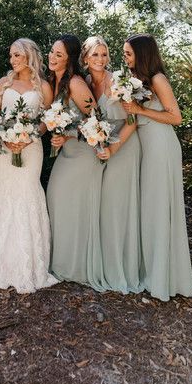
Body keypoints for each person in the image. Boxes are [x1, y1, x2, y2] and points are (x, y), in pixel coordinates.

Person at [122, 33, 192, 301]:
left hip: (162, 146)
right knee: (151, 207)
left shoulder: (157, 79)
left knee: (161, 206)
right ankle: (153, 271)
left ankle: (165, 277)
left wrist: (139, 110)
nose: (126, 58)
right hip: (147, 146)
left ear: (142, 54)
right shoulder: (138, 82)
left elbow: (175, 117)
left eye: (129, 53)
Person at [0, 38, 58, 293]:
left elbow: (48, 120)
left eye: (17, 55)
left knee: (28, 194)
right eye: (10, 56)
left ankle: (32, 266)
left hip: (32, 149)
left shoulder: (43, 87)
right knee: (7, 197)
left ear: (29, 56)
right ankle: (6, 266)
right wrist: (6, 137)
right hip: (3, 151)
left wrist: (29, 136)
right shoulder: (3, 83)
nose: (12, 60)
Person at [81, 36, 142, 294]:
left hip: (125, 147)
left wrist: (113, 149)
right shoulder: (82, 84)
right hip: (104, 148)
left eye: (104, 54)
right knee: (105, 207)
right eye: (95, 55)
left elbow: (133, 119)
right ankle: (105, 264)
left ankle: (122, 269)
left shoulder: (118, 80)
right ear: (85, 58)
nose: (101, 60)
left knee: (118, 207)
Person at [46, 34, 106, 289]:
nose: (52, 57)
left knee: (68, 203)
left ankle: (74, 266)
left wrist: (67, 133)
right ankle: (60, 262)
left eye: (59, 55)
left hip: (83, 155)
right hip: (68, 153)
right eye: (51, 52)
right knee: (56, 200)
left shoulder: (77, 84)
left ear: (69, 59)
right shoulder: (54, 81)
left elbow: (97, 121)